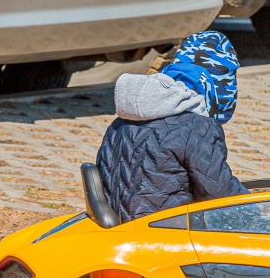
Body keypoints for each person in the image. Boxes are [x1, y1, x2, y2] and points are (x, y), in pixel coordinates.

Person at [96, 31, 248, 223]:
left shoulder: (120, 124)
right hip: (167, 229)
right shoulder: (197, 127)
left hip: (121, 227)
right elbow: (220, 194)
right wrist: (257, 209)